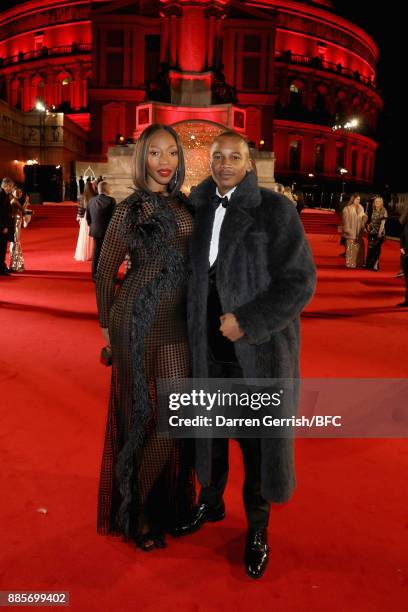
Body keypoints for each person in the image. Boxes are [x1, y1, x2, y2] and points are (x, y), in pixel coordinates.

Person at [174, 131, 316, 579]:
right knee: (211, 439)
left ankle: (257, 529)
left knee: (257, 450)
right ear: (208, 161)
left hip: (257, 353)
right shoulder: (194, 207)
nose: (225, 163)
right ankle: (210, 504)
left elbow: (299, 282)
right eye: (218, 156)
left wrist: (249, 320)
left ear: (249, 163)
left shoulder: (276, 210)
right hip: (206, 351)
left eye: (235, 156)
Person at [95, 124, 195, 551]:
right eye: (154, 153)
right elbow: (105, 270)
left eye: (171, 152)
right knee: (142, 416)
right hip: (136, 317)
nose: (164, 161)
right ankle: (135, 512)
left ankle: (146, 497)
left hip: (176, 322)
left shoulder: (187, 205)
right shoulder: (129, 209)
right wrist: (106, 327)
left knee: (175, 416)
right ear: (142, 159)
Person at [86, 181, 116, 280]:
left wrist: (94, 227)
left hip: (95, 231)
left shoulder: (91, 201)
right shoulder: (111, 200)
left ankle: (95, 276)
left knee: (96, 253)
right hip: (108, 232)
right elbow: (113, 218)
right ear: (106, 189)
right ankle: (107, 277)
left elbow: (88, 218)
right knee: (109, 254)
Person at [341, 193, 367, 269]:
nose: (358, 201)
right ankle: (350, 263)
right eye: (357, 199)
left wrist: (365, 217)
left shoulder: (361, 208)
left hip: (358, 231)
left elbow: (362, 218)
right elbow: (345, 221)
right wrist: (348, 230)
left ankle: (358, 263)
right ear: (353, 199)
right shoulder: (347, 208)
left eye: (359, 199)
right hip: (350, 231)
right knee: (350, 248)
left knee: (358, 248)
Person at [74, 181, 95, 262]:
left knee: (84, 236)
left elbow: (80, 208)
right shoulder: (94, 197)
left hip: (84, 219)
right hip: (92, 217)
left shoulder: (81, 197)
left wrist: (80, 217)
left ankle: (85, 253)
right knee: (91, 237)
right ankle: (91, 253)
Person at [365, 196, 388, 271]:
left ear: (381, 203)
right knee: (370, 248)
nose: (377, 203)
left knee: (377, 249)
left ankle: (375, 265)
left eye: (378, 201)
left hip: (379, 233)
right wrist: (368, 226)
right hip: (371, 232)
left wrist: (380, 233)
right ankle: (368, 265)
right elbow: (371, 221)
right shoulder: (373, 210)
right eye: (376, 202)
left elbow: (383, 223)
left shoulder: (384, 210)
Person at [9, 187, 26, 272]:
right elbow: (23, 210)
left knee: (15, 242)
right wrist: (27, 201)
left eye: (20, 192)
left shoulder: (15, 200)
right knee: (15, 242)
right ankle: (14, 265)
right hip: (15, 224)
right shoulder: (14, 201)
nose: (19, 194)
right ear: (13, 192)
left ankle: (14, 264)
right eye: (17, 192)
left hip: (17, 223)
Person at [0, 177, 15, 276]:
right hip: (2, 226)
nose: (10, 188)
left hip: (5, 225)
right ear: (4, 186)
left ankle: (2, 267)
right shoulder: (1, 195)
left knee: (2, 248)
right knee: (1, 247)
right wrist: (4, 227)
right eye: (8, 186)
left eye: (11, 186)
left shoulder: (5, 195)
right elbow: (1, 213)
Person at [398, 206, 408, 307]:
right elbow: (402, 236)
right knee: (407, 279)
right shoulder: (406, 224)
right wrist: (401, 248)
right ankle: (407, 300)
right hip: (405, 255)